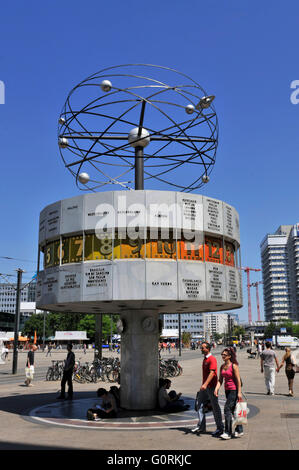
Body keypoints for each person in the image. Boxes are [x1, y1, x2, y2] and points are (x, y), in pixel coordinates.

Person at [191, 342, 224, 437]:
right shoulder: (205, 359)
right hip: (204, 387)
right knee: (199, 405)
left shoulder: (212, 359)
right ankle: (201, 426)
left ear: (208, 349)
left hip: (211, 387)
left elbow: (212, 373)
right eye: (201, 347)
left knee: (215, 407)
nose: (201, 349)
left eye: (202, 348)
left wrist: (205, 384)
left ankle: (220, 428)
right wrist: (203, 385)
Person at [214, 347, 243, 440]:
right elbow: (220, 380)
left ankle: (228, 432)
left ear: (229, 356)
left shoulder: (234, 366)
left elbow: (238, 380)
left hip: (234, 390)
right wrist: (216, 389)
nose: (222, 356)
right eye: (222, 354)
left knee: (227, 409)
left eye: (224, 355)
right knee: (234, 410)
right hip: (227, 390)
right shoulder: (222, 366)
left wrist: (239, 392)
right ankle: (239, 430)